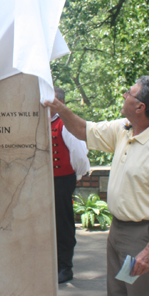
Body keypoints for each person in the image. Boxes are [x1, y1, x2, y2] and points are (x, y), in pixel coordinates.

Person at [44, 76, 149, 296]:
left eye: (129, 94)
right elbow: (83, 130)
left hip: (142, 237)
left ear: (140, 106)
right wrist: (60, 108)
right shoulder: (124, 129)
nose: (124, 97)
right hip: (118, 234)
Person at [51, 87, 90, 284]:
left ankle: (65, 266)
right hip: (44, 182)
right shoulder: (37, 122)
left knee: (63, 223)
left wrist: (73, 178)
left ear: (61, 103)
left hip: (61, 180)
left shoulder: (65, 125)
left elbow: (79, 155)